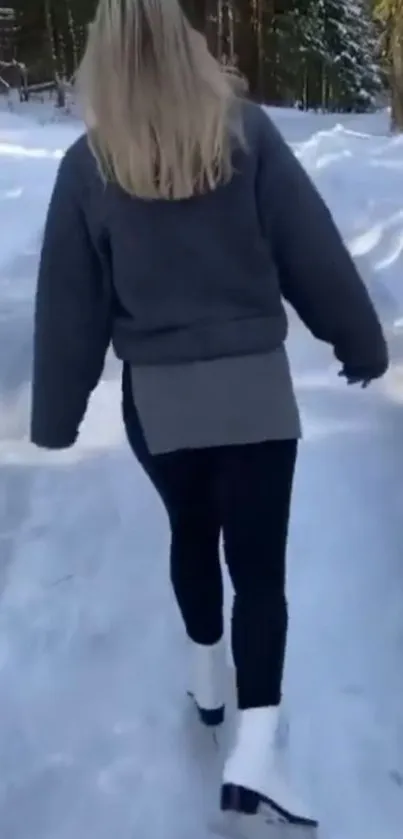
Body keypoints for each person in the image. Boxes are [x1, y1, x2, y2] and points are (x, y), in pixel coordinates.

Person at [30, 0, 388, 831]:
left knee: (190, 533)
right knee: (259, 569)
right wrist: (357, 341)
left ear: (103, 60)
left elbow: (70, 307)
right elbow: (312, 248)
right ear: (189, 46)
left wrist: (58, 414)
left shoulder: (92, 165)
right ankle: (258, 751)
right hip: (257, 394)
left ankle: (206, 682)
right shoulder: (246, 135)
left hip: (161, 404)